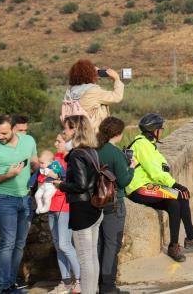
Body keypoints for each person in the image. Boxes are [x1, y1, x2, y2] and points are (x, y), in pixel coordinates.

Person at [126, 113, 193, 262]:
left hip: (147, 186)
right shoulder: (142, 145)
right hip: (138, 188)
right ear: (155, 130)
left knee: (174, 204)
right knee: (181, 193)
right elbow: (155, 171)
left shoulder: (148, 144)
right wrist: (175, 184)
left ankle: (175, 245)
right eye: (161, 128)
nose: (162, 131)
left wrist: (165, 169)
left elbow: (161, 163)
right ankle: (190, 238)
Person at [0, 114, 38, 294]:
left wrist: (40, 166)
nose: (0, 136)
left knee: (20, 243)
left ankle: (11, 282)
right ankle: (3, 287)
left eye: (4, 133)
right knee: (7, 242)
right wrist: (9, 175)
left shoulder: (29, 141)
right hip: (4, 200)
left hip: (25, 197)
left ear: (14, 128)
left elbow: (34, 160)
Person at [57, 115, 103, 294]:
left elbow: (81, 185)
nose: (64, 132)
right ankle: (92, 290)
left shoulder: (77, 154)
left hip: (82, 210)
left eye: (67, 128)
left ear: (75, 130)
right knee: (91, 256)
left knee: (85, 258)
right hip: (94, 208)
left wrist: (61, 185)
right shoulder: (92, 151)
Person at [96, 117, 135, 294]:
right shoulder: (114, 153)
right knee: (112, 244)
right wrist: (132, 167)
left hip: (96, 202)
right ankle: (108, 286)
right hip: (113, 203)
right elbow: (124, 180)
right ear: (118, 134)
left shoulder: (95, 149)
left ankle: (97, 283)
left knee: (100, 244)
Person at [48, 133, 81, 294]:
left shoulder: (73, 159)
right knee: (58, 246)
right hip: (52, 206)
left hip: (65, 206)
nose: (55, 144)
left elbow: (75, 183)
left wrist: (58, 178)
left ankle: (81, 280)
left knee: (65, 244)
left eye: (59, 141)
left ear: (68, 143)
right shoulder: (55, 157)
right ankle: (66, 282)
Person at [63, 60, 124, 131]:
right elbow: (116, 97)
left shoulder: (71, 91)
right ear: (90, 74)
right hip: (92, 135)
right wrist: (116, 79)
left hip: (78, 131)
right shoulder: (93, 91)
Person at [34, 150, 64, 214]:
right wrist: (31, 183)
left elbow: (61, 175)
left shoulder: (55, 164)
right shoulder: (42, 168)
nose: (40, 165)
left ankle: (46, 208)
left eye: (42, 163)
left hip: (52, 186)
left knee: (46, 196)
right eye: (40, 162)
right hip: (44, 186)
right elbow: (37, 177)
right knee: (37, 195)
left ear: (51, 162)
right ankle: (39, 207)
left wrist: (54, 175)